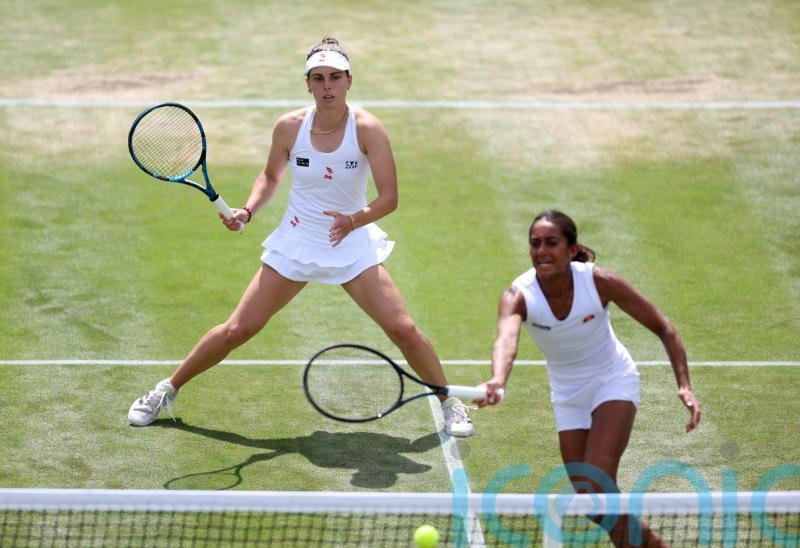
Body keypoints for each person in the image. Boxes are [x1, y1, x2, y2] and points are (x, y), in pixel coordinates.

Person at [128, 36, 473, 437]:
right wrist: (247, 211)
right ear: (308, 84)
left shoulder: (368, 129)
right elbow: (271, 177)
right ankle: (166, 389)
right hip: (297, 240)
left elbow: (389, 198)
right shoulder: (290, 127)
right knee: (238, 329)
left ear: (349, 81)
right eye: (318, 78)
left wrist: (353, 221)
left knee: (402, 329)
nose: (327, 86)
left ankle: (450, 402)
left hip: (350, 241)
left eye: (335, 77)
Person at [477, 210, 701, 546]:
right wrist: (498, 378)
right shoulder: (518, 295)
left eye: (551, 242)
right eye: (535, 243)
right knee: (591, 501)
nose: (541, 251)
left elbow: (663, 327)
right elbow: (506, 340)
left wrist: (684, 385)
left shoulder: (599, 282)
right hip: (567, 396)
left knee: (597, 483)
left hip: (612, 380)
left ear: (571, 249)